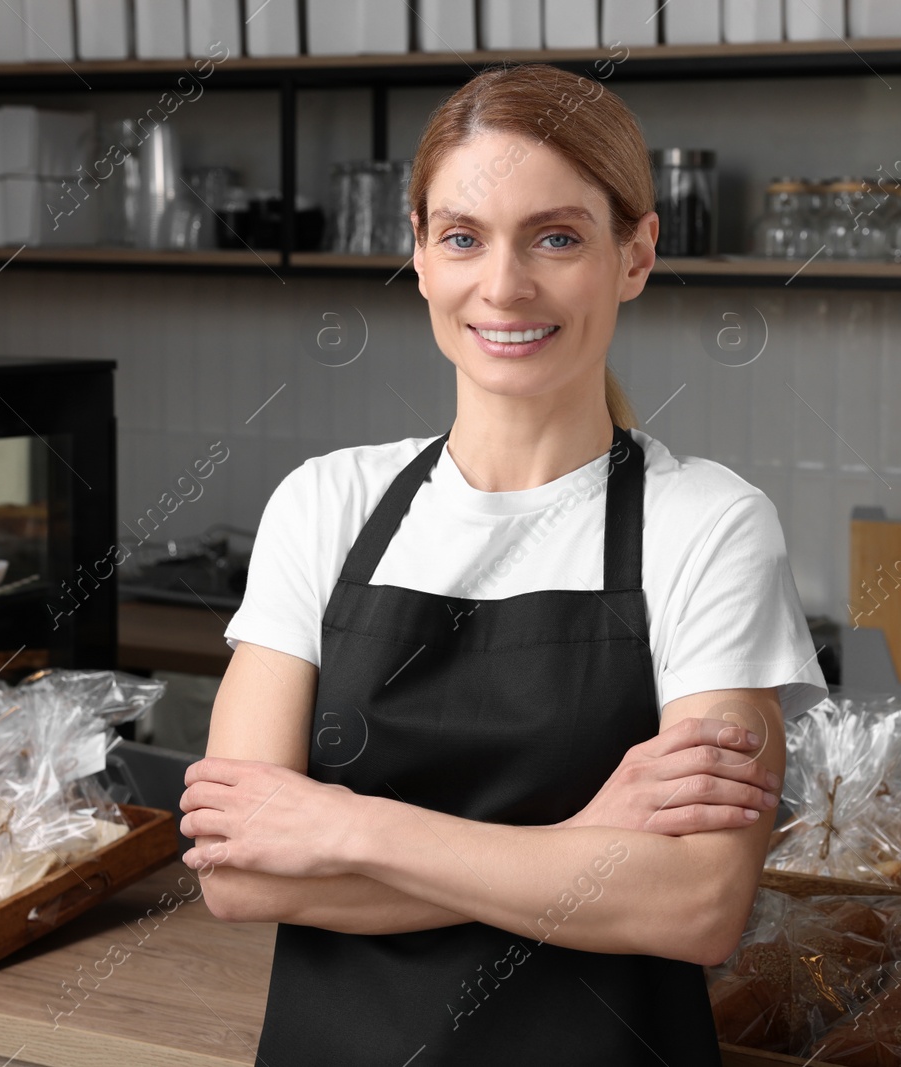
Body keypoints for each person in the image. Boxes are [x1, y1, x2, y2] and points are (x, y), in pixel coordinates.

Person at [177, 62, 827, 1066]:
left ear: (635, 254)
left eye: (556, 237)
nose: (504, 284)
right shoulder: (325, 504)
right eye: (463, 237)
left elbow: (698, 901)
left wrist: (343, 826)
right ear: (421, 258)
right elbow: (239, 875)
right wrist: (581, 841)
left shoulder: (709, 524)